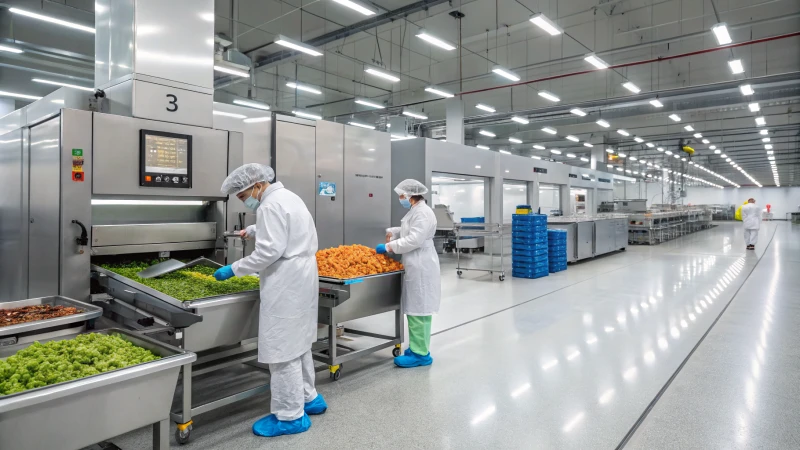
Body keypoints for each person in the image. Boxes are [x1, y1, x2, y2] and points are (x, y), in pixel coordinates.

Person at [214, 163, 326, 437]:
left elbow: (269, 252)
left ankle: (289, 416)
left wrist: (234, 268)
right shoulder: (287, 197)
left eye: (243, 196)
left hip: (286, 279)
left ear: (257, 185)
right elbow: (286, 229)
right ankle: (309, 398)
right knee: (298, 343)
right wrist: (254, 230)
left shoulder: (269, 206)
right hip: (302, 273)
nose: (245, 202)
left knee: (282, 349)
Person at [375, 179, 441, 368]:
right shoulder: (417, 210)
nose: (400, 198)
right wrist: (393, 232)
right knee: (416, 309)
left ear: (411, 195)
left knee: (418, 310)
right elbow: (409, 230)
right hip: (416, 262)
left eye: (402, 195)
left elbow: (415, 239)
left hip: (421, 264)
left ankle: (421, 355)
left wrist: (388, 246)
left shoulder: (422, 213)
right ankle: (417, 347)